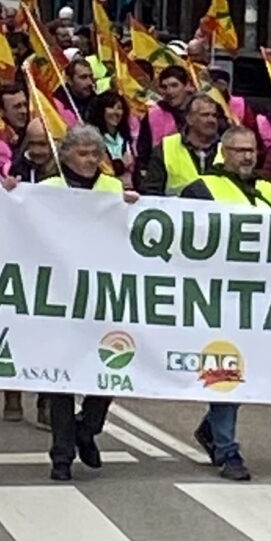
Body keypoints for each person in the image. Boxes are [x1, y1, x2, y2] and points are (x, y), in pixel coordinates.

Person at [179, 126, 271, 482]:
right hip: (219, 297)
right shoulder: (202, 189)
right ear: (224, 152)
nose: (247, 156)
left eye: (251, 150)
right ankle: (227, 450)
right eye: (239, 150)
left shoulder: (269, 192)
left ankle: (211, 429)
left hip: (260, 297)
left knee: (253, 370)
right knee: (227, 368)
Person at [38, 126, 126, 479]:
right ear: (66, 155)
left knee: (110, 367)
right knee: (61, 378)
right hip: (60, 294)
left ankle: (87, 427)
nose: (90, 160)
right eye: (83, 153)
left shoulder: (113, 188)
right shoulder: (46, 189)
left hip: (103, 294)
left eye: (95, 154)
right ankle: (61, 455)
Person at [138, 89, 225, 195]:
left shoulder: (226, 149)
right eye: (205, 115)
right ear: (189, 119)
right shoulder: (167, 147)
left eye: (214, 115)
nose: (212, 120)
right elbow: (151, 190)